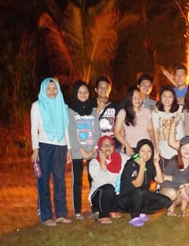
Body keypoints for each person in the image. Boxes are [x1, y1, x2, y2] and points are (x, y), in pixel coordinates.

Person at [31, 77, 72, 227]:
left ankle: (61, 214)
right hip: (44, 146)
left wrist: (69, 149)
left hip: (60, 146)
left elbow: (66, 127)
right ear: (43, 90)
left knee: (60, 181)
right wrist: (35, 149)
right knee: (43, 180)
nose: (52, 91)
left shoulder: (63, 106)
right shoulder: (37, 105)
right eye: (48, 89)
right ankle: (46, 215)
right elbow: (33, 129)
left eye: (55, 88)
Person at [118, 139, 172, 226]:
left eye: (149, 151)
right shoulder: (131, 164)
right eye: (142, 151)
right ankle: (135, 217)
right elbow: (137, 185)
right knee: (140, 192)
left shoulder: (149, 164)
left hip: (142, 196)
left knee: (166, 201)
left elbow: (160, 180)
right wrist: (142, 165)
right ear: (138, 151)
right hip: (126, 199)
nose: (146, 154)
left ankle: (140, 210)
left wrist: (156, 163)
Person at [67, 80, 100, 220]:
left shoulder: (92, 110)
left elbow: (97, 131)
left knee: (93, 180)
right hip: (77, 152)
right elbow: (71, 133)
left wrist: (94, 149)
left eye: (86, 92)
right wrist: (81, 151)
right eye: (80, 92)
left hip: (92, 151)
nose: (83, 94)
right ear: (75, 94)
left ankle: (95, 208)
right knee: (77, 182)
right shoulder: (70, 110)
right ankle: (77, 211)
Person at [88, 135, 129, 224]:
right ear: (99, 148)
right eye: (104, 145)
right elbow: (102, 182)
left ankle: (113, 209)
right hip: (100, 195)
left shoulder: (121, 158)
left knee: (125, 187)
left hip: (115, 193)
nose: (107, 147)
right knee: (108, 188)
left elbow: (133, 160)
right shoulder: (94, 163)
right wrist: (102, 164)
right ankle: (103, 215)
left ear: (114, 147)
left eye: (110, 144)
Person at [160, 136, 189, 217]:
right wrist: (181, 186)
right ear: (179, 150)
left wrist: (180, 185)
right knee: (173, 192)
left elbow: (188, 179)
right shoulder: (173, 161)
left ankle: (183, 209)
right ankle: (169, 207)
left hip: (180, 194)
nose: (186, 150)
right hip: (167, 191)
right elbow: (163, 181)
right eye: (183, 147)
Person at [115, 86, 155, 156]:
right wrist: (126, 145)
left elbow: (150, 129)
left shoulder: (147, 111)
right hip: (131, 148)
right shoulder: (123, 112)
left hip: (146, 148)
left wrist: (153, 142)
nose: (137, 100)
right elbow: (116, 132)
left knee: (145, 167)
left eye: (139, 98)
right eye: (134, 98)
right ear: (129, 98)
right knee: (134, 165)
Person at [152, 87, 181, 166]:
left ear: (174, 98)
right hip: (163, 149)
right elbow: (156, 130)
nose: (167, 99)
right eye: (164, 96)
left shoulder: (180, 109)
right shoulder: (156, 112)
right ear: (160, 98)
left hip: (178, 148)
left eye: (170, 96)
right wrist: (156, 147)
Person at [93, 76, 118, 144]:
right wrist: (98, 109)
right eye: (101, 87)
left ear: (110, 89)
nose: (104, 89)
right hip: (95, 143)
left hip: (112, 143)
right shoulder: (90, 104)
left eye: (106, 87)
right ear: (96, 89)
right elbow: (87, 124)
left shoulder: (116, 105)